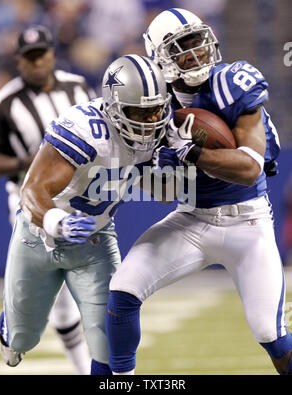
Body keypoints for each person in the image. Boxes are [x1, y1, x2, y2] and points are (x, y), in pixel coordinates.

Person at [105, 8, 292, 376]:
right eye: (181, 49)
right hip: (190, 217)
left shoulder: (230, 83)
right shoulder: (152, 102)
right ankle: (118, 380)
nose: (195, 55)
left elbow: (249, 168)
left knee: (269, 331)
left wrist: (193, 152)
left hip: (247, 222)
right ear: (160, 57)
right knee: (122, 292)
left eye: (198, 43)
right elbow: (160, 192)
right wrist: (153, 168)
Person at [0, 53, 172, 375]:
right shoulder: (85, 129)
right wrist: (57, 222)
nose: (149, 123)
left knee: (109, 341)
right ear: (114, 106)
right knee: (23, 337)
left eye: (155, 111)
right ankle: (11, 327)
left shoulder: (161, 131)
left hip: (95, 240)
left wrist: (174, 172)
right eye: (139, 112)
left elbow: (165, 193)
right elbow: (32, 190)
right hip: (39, 236)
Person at [0, 25, 96, 374]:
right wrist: (28, 164)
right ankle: (18, 319)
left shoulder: (78, 86)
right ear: (19, 61)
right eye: (29, 57)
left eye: (42, 55)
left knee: (97, 283)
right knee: (61, 295)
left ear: (52, 54)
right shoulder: (4, 103)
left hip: (82, 195)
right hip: (30, 198)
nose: (37, 63)